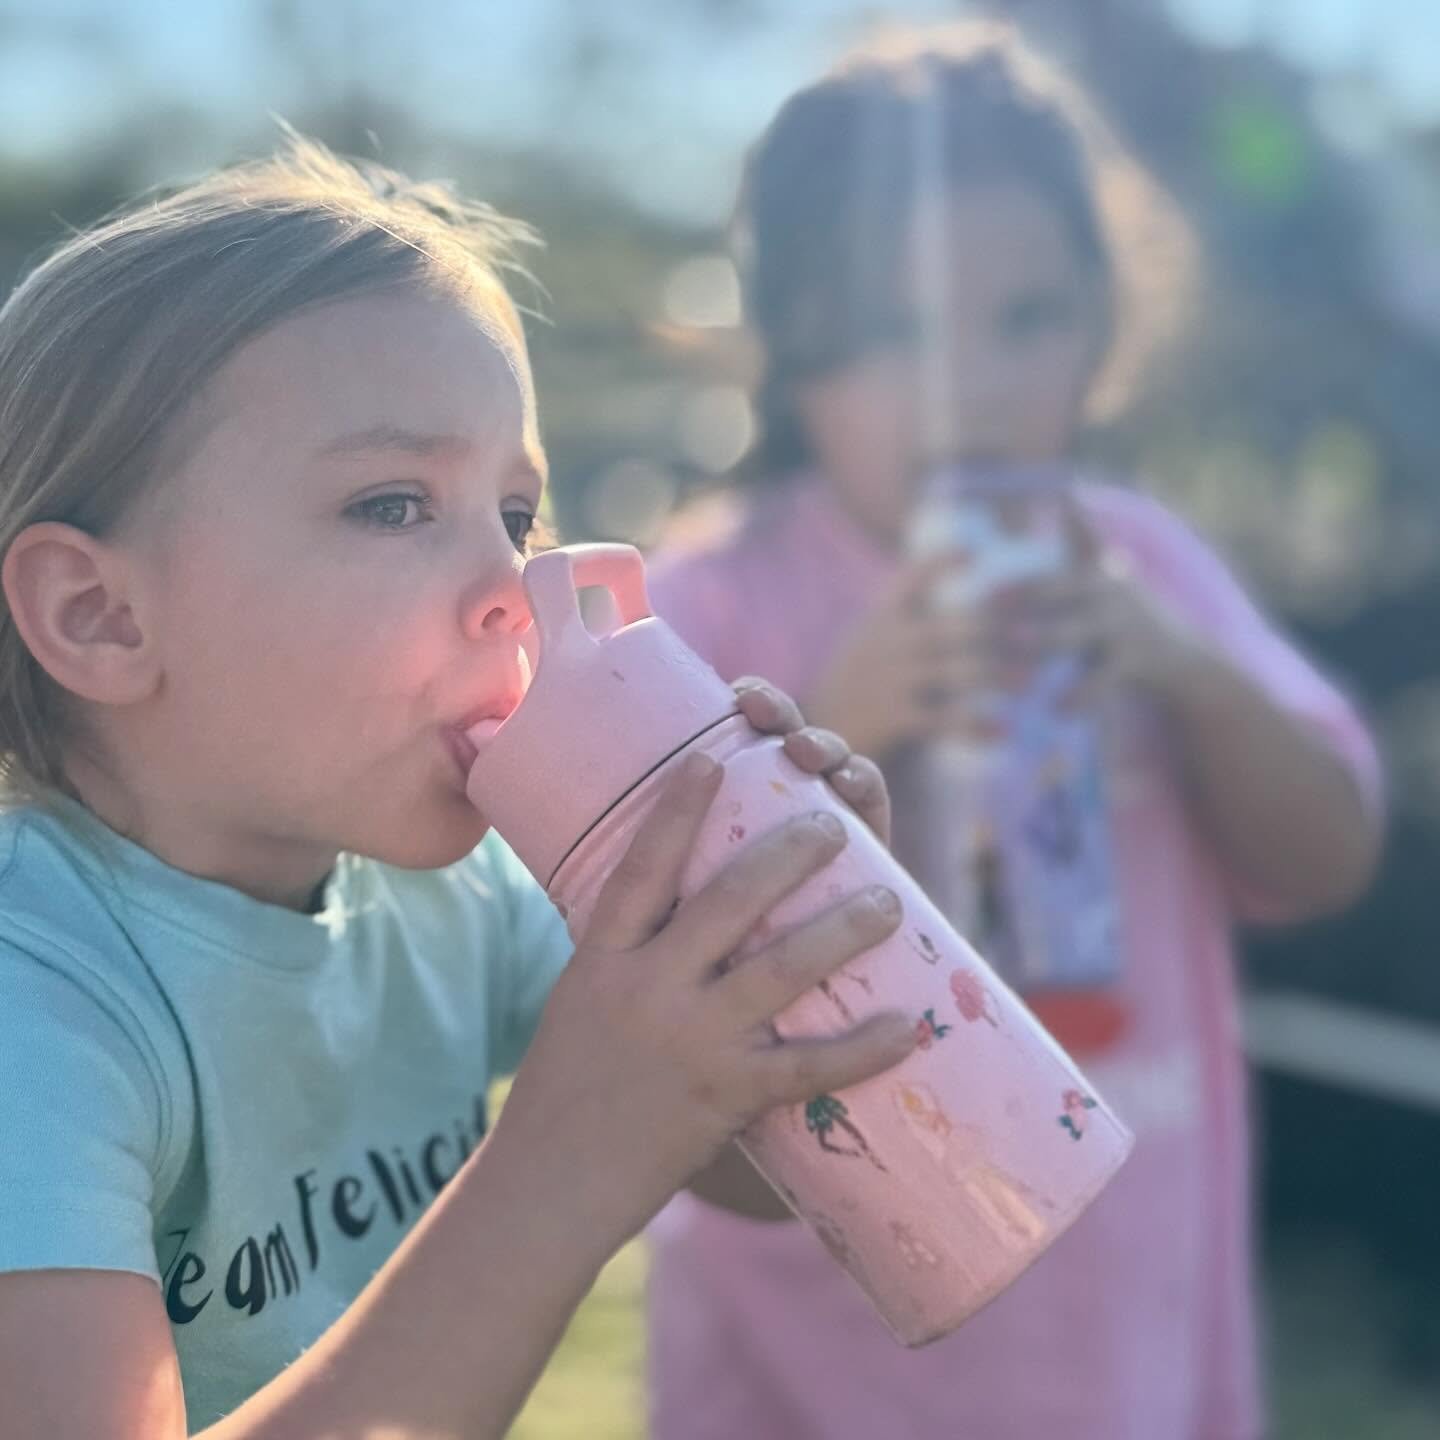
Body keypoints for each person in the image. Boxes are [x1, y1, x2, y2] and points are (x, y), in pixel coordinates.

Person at [0, 139, 919, 1438]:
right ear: (100, 615)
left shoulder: (461, 889)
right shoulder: (34, 1011)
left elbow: (745, 1164)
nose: (518, 589)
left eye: (518, 513)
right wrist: (560, 1166)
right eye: (392, 505)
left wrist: (788, 964)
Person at [645, 23, 1383, 1440]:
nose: (969, 387)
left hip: (1128, 1299)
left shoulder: (1141, 562)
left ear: (1107, 325)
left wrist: (1190, 679)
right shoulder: (711, 601)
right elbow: (651, 1010)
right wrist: (840, 725)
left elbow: (1333, 853)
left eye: (1028, 319)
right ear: (794, 348)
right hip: (829, 1344)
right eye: (898, 330)